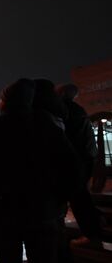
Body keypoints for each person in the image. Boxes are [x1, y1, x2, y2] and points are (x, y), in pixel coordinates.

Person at [0, 78, 80, 263]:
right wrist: (56, 198)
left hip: (4, 213)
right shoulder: (47, 127)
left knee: (7, 257)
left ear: (5, 100)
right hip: (42, 211)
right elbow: (72, 167)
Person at [56, 83, 102, 249]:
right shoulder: (78, 110)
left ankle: (91, 233)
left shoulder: (63, 111)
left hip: (75, 161)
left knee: (78, 198)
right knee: (81, 196)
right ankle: (94, 226)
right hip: (85, 159)